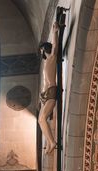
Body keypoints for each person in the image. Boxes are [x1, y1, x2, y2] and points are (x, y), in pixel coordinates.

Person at [39, 22, 60, 155]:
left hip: (51, 92)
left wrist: (55, 32)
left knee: (42, 119)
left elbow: (55, 47)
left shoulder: (51, 58)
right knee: (40, 120)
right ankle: (48, 141)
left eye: (41, 50)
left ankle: (52, 142)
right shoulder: (46, 62)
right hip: (46, 95)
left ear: (43, 50)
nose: (41, 52)